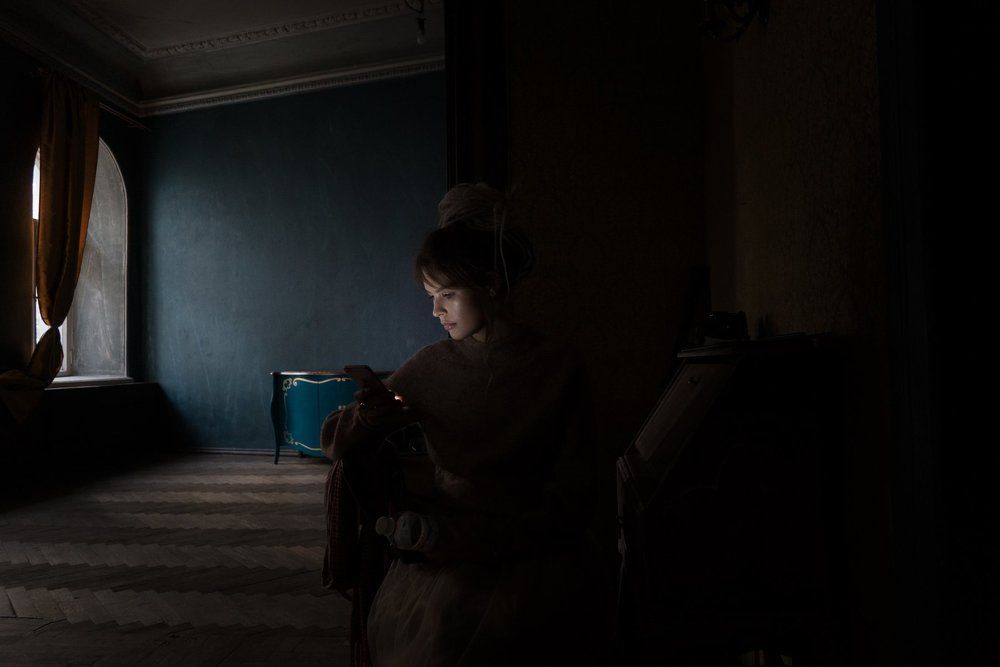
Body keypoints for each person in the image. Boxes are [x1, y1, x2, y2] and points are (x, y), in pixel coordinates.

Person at [321, 183, 599, 666]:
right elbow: (333, 439)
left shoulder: (559, 366)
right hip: (447, 547)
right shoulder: (432, 366)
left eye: (447, 294)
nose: (436, 311)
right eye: (432, 296)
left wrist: (511, 538)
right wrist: (368, 415)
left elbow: (578, 483)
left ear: (490, 284)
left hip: (534, 550)